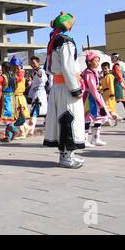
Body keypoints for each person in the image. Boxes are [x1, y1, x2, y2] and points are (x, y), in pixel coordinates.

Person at [43, 12, 85, 169]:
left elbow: (48, 68)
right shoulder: (65, 40)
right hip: (67, 86)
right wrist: (75, 89)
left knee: (63, 119)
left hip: (58, 85)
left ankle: (66, 155)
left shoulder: (54, 39)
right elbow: (68, 67)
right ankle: (67, 157)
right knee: (69, 119)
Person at [82, 52, 109, 147]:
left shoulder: (94, 71)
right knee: (88, 118)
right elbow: (92, 89)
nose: (97, 63)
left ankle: (95, 138)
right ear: (89, 62)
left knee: (99, 117)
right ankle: (84, 139)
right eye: (95, 61)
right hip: (90, 98)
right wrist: (100, 103)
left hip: (95, 96)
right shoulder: (89, 73)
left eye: (98, 61)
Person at [11, 56, 31, 139]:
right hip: (16, 96)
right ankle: (25, 128)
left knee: (19, 115)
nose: (14, 68)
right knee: (18, 115)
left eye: (15, 66)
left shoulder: (21, 72)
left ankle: (22, 133)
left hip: (19, 97)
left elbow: (18, 79)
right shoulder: (15, 73)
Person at [28, 56, 48, 136]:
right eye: (31, 63)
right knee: (37, 111)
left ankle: (31, 129)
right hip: (36, 92)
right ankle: (32, 129)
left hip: (40, 93)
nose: (32, 64)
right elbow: (33, 85)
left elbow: (44, 80)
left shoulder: (40, 71)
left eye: (34, 63)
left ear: (38, 62)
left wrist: (39, 74)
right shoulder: (35, 72)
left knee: (36, 110)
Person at [111, 53, 125, 120]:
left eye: (112, 58)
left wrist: (121, 82)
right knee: (124, 100)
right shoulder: (120, 64)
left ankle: (111, 115)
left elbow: (118, 74)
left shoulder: (116, 65)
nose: (111, 59)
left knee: (112, 98)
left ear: (115, 58)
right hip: (121, 81)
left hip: (118, 83)